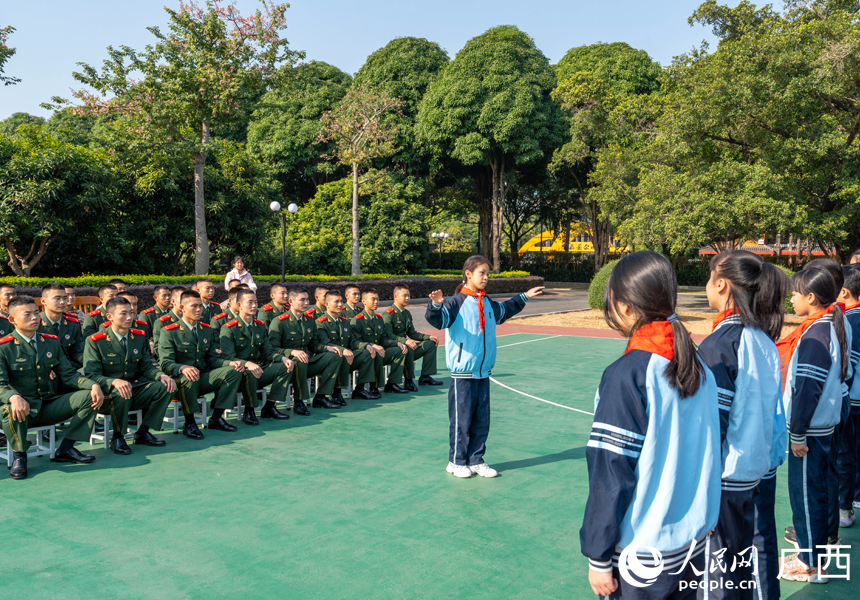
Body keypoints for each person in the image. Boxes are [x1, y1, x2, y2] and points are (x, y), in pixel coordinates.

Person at [579, 251, 721, 598]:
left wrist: (598, 554)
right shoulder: (699, 364)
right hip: (694, 543)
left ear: (625, 308)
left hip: (641, 554)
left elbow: (611, 471)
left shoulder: (628, 374)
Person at [697, 251, 788, 599]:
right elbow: (773, 411)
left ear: (721, 283)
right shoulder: (763, 339)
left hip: (725, 478)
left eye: (709, 278)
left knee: (718, 572)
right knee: (745, 564)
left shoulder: (720, 345)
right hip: (756, 469)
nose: (707, 286)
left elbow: (712, 426)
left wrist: (699, 491)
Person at [425, 255, 544, 479]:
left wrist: (524, 296)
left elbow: (503, 312)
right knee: (462, 420)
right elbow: (438, 321)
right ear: (468, 274)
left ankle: (476, 459)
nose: (486, 278)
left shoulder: (486, 302)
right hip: (463, 373)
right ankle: (456, 461)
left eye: (488, 274)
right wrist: (436, 305)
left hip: (483, 372)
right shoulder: (455, 302)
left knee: (482, 419)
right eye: (482, 273)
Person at [776, 267, 848, 583]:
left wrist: (798, 434)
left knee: (805, 496)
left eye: (795, 293)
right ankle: (810, 555)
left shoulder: (817, 334)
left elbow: (807, 389)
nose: (791, 299)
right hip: (820, 428)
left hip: (810, 432)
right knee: (814, 493)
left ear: (810, 297)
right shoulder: (825, 326)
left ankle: (810, 564)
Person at [0, 296, 105, 479]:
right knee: (9, 407)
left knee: (89, 395)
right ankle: (20, 456)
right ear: (12, 320)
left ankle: (66, 448)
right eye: (28, 314)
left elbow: (68, 374)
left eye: (36, 313)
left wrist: (93, 384)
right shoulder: (4, 347)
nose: (35, 318)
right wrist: (13, 396)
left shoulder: (50, 342)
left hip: (47, 404)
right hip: (21, 409)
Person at [83, 296, 175, 455]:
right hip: (107, 395)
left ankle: (143, 432)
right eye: (123, 313)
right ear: (109, 316)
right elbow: (91, 374)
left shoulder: (139, 336)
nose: (129, 317)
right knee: (121, 390)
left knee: (166, 386)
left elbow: (146, 366)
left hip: (134, 389)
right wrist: (113, 382)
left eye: (131, 313)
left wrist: (161, 375)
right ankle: (118, 437)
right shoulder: (96, 341)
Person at [158, 290, 244, 439]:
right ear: (182, 308)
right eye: (194, 306)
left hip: (201, 377)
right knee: (189, 376)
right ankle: (189, 423)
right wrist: (182, 367)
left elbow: (212, 359)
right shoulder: (169, 332)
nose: (198, 309)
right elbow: (165, 363)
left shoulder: (206, 330)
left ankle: (216, 417)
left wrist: (230, 363)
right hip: (178, 382)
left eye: (200, 306)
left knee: (233, 371)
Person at [219, 289, 294, 425]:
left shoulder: (260, 326)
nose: (254, 306)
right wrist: (247, 364)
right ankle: (249, 410)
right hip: (239, 372)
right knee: (251, 371)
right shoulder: (229, 328)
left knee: (285, 367)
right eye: (250, 303)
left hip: (258, 370)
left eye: (256, 302)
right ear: (239, 305)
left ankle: (270, 406)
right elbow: (228, 356)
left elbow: (268, 351)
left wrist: (283, 358)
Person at [269, 288, 342, 416]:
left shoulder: (309, 320)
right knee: (299, 359)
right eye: (302, 300)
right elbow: (272, 348)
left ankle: (321, 396)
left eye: (307, 299)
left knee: (334, 356)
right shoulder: (279, 322)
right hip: (288, 364)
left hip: (307, 362)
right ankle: (299, 401)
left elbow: (314, 344)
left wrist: (327, 348)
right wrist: (292, 352)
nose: (306, 303)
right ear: (291, 301)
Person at [314, 290, 375, 406]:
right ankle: (336, 393)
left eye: (341, 301)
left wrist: (366, 345)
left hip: (347, 356)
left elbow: (353, 341)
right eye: (336, 302)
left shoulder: (345, 322)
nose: (340, 304)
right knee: (340, 356)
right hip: (330, 358)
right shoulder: (320, 323)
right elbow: (325, 343)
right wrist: (343, 350)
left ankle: (359, 389)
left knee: (367, 353)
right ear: (327, 304)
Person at [382, 284, 442, 390]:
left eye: (408, 296)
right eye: (404, 296)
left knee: (430, 344)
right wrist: (405, 341)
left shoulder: (407, 314)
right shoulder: (388, 314)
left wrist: (428, 337)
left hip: (407, 347)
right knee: (408, 347)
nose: (407, 298)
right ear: (395, 296)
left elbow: (412, 333)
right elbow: (388, 335)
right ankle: (408, 380)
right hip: (394, 348)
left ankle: (425, 376)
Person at [351, 289, 408, 395]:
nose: (376, 302)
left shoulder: (379, 319)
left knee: (399, 350)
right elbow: (354, 342)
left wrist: (397, 343)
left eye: (377, 299)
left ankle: (392, 383)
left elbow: (383, 339)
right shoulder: (357, 320)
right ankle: (373, 387)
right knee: (375, 352)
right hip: (364, 355)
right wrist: (371, 345)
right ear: (363, 301)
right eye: (373, 299)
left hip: (379, 352)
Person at [837, 266, 860, 529]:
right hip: (854, 398)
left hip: (851, 400)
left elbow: (849, 365)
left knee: (845, 454)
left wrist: (841, 392)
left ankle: (844, 506)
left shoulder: (851, 319)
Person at [38, 283, 85, 370]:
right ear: (43, 301)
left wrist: (87, 362)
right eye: (57, 298)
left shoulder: (73, 323)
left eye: (64, 298)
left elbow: (77, 350)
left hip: (71, 367)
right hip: (47, 369)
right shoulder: (36, 324)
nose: (62, 302)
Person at [151, 286, 186, 355]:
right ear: (173, 301)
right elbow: (159, 350)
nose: (186, 302)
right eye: (182, 299)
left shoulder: (193, 321)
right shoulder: (162, 322)